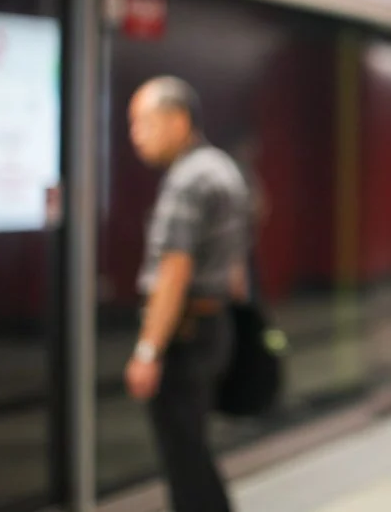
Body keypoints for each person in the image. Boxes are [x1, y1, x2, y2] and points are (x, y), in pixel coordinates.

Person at [124, 76, 251, 512]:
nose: (135, 135)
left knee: (184, 460)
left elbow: (173, 271)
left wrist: (147, 350)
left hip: (185, 335)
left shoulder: (186, 181)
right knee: (194, 450)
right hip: (215, 325)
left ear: (178, 122)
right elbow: (236, 269)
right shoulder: (223, 168)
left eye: (143, 122)